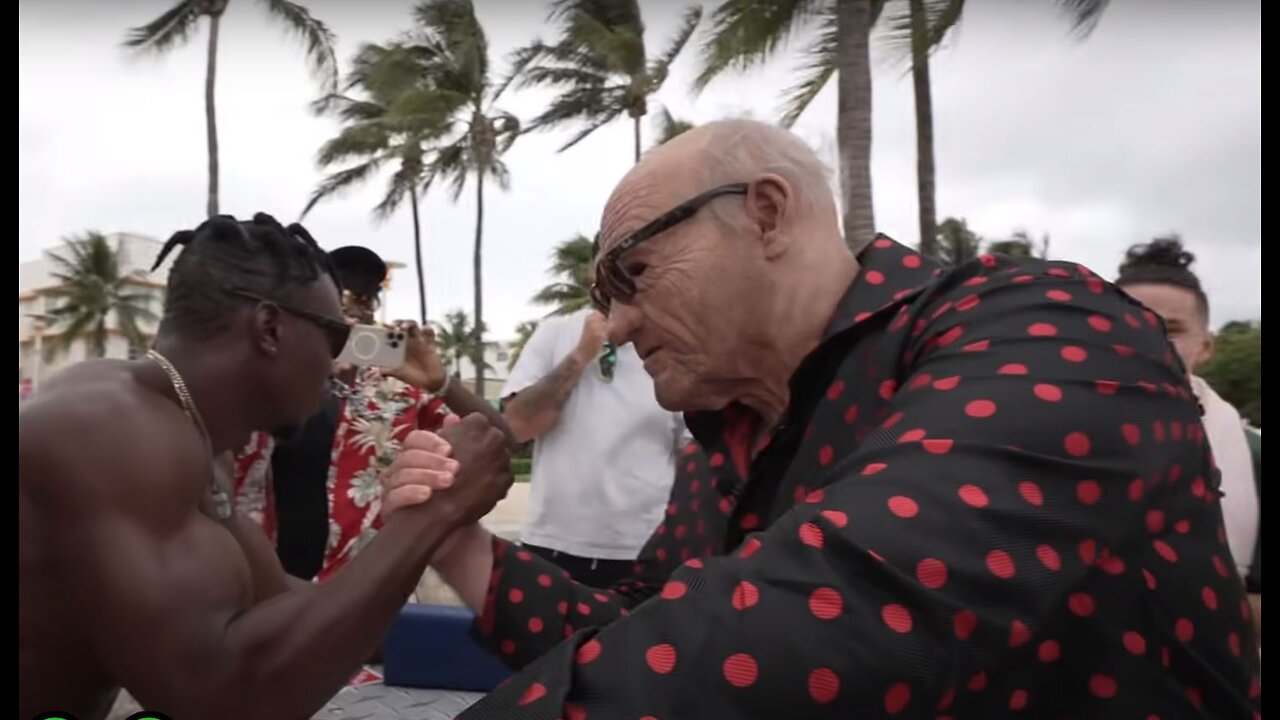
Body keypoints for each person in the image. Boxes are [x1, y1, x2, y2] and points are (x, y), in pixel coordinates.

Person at [394, 121, 1259, 717]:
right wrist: (460, 543)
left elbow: (847, 609)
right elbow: (650, 634)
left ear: (767, 212)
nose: (615, 325)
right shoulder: (723, 443)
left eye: (633, 275)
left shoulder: (1046, 323)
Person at [18, 213, 512, 720]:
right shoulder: (110, 433)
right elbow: (219, 700)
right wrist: (433, 515)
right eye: (336, 339)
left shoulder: (193, 434)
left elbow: (274, 603)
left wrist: (502, 634)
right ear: (270, 329)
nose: (338, 363)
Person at [232, 245, 509, 582]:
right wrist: (312, 366)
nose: (354, 320)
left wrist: (442, 383)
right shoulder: (276, 376)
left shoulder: (399, 389)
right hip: (263, 586)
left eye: (367, 302)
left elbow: (504, 443)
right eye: (343, 305)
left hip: (364, 590)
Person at [1116, 237, 1261, 639]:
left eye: (1172, 330)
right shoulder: (1040, 442)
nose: (1150, 341)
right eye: (1131, 323)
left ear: (1206, 345)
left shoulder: (1252, 455)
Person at [502, 289, 687, 586]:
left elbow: (692, 452)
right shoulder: (555, 332)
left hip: (646, 548)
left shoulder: (675, 341)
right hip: (553, 543)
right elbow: (517, 426)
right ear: (596, 274)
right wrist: (579, 357)